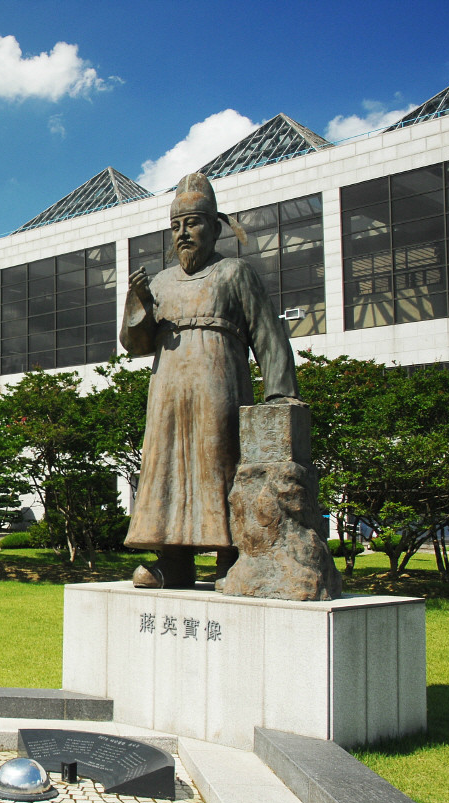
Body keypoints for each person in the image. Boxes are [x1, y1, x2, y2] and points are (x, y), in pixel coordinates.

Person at [120, 173, 300, 588]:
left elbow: (267, 334)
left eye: (194, 222)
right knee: (165, 468)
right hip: (167, 389)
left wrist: (280, 394)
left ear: (215, 227)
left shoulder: (235, 273)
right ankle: (173, 561)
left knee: (220, 462)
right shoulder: (160, 282)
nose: (183, 234)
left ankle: (231, 556)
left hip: (219, 384)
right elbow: (135, 343)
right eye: (176, 226)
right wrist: (141, 303)